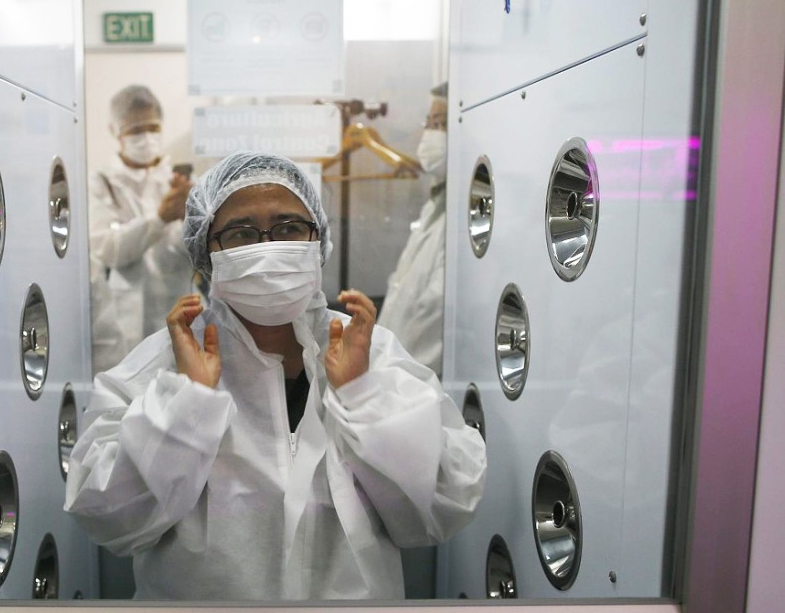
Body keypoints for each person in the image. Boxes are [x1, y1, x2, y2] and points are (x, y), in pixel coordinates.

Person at [64, 150, 486, 600]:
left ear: (317, 239)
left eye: (287, 228)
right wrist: (185, 403)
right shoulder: (163, 366)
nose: (267, 246)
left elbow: (446, 505)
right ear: (205, 252)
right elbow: (107, 518)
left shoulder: (373, 355)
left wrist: (364, 396)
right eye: (241, 233)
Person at [88, 85, 195, 374]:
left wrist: (190, 217)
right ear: (116, 132)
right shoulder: (101, 183)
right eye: (135, 130)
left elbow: (192, 251)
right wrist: (159, 218)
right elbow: (108, 250)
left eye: (152, 127)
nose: (145, 138)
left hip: (180, 309)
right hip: (123, 325)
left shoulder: (179, 181)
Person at [378, 82, 449, 377]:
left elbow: (434, 313)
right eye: (429, 123)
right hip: (396, 376)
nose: (430, 133)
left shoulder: (460, 219)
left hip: (419, 381)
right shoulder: (436, 205)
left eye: (441, 123)